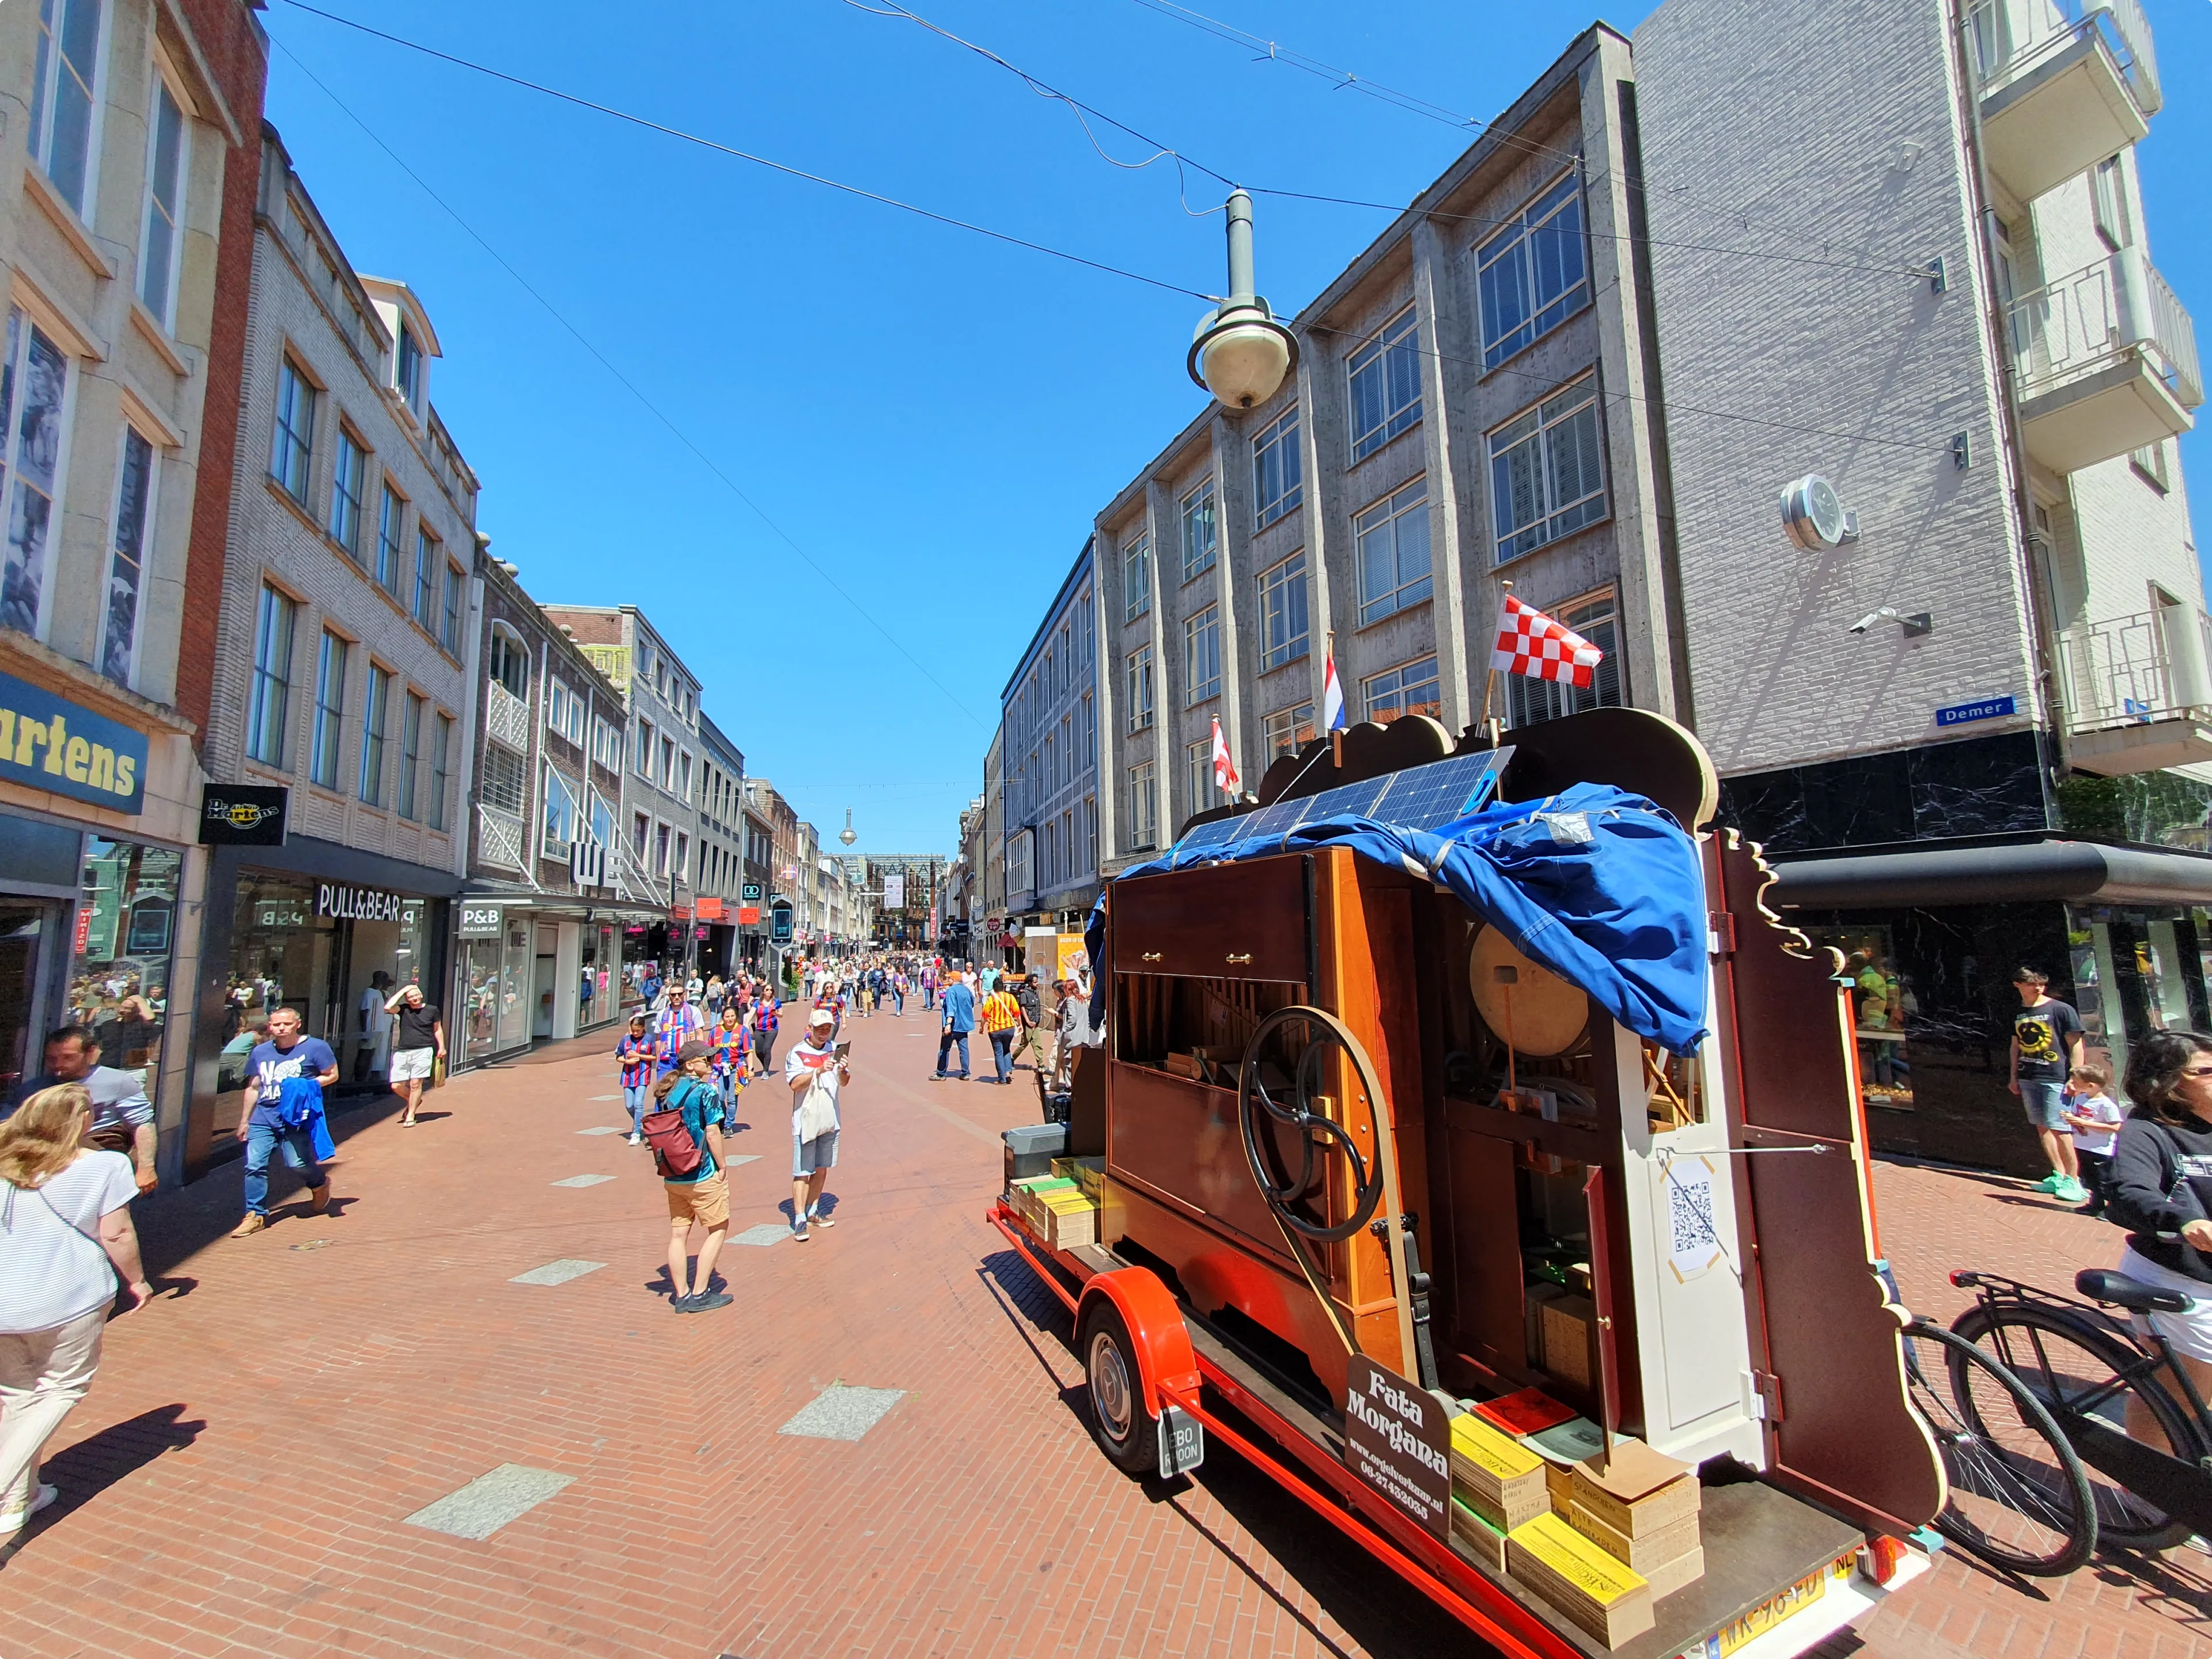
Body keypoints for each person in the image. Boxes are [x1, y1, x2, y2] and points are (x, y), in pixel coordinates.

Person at [0, 1084, 153, 1546]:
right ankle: (5, 1481)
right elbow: (117, 1233)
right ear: (81, 1123)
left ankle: (20, 1501)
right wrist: (137, 1281)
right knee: (64, 1387)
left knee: (19, 1395)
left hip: (6, 1300)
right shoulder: (105, 1165)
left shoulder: (4, 1162)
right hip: (70, 1297)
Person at [2108, 1031, 2212, 1444]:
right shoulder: (2148, 1130)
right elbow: (2129, 1192)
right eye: (2205, 1071)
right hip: (2176, 1274)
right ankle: (2147, 1490)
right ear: (2168, 1083)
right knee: (2185, 1392)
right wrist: (2185, 1221)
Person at [3, 1025, 157, 1195]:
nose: (59, 1065)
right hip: (42, 1164)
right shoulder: (31, 1090)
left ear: (90, 1053)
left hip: (94, 1161)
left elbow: (143, 1124)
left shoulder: (118, 1082)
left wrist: (146, 1168)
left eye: (68, 1058)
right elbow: (6, 1124)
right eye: (52, 1059)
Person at [229, 1007, 339, 1237]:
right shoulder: (261, 1052)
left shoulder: (316, 1047)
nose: (281, 1028)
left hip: (295, 1118)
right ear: (270, 1026)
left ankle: (319, 1184)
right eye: (276, 1025)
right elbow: (254, 1086)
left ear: (297, 1024)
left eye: (286, 1024)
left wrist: (306, 1086)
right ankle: (255, 1214)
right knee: (255, 1165)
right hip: (263, 1117)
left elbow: (332, 1074)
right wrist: (244, 1121)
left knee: (297, 1164)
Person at [652, 1041, 732, 1313]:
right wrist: (722, 1165)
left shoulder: (667, 1090)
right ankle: (700, 1293)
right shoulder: (706, 1091)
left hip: (673, 1173)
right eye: (705, 1060)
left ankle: (682, 1294)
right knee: (718, 1227)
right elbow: (712, 1133)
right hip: (701, 1171)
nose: (710, 1064)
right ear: (690, 1065)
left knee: (678, 1234)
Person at [2009, 967, 2088, 1204]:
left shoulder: (2061, 1009)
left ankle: (2074, 1181)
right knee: (2042, 1126)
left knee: (2060, 1128)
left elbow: (2075, 1044)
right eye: (2032, 984)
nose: (2038, 988)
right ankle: (2058, 1174)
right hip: (2029, 1075)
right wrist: (2013, 1076)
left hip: (2056, 1076)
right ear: (2018, 985)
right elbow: (2015, 1045)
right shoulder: (2018, 1012)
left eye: (2041, 984)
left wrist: (2075, 1078)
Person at [784, 1007, 849, 1241]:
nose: (824, 1033)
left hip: (830, 1118)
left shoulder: (835, 1049)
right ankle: (799, 1217)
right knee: (803, 1172)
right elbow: (795, 1084)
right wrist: (818, 1071)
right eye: (820, 1029)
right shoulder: (797, 1053)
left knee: (822, 1168)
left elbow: (845, 1082)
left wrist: (842, 1071)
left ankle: (813, 1210)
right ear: (809, 1029)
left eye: (827, 1029)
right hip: (806, 1119)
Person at [2063, 1060, 2124, 1217]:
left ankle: (2111, 1209)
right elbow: (2078, 1117)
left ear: (2090, 1085)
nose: (2073, 1085)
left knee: (2103, 1180)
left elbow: (2115, 1127)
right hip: (2083, 1145)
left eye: (2077, 1083)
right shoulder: (2080, 1098)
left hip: (2100, 1149)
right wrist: (2071, 1119)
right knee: (2089, 1178)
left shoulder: (2106, 1105)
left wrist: (2083, 1123)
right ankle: (2095, 1205)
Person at [383, 983, 445, 1129]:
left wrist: (441, 1047)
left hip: (424, 1050)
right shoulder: (404, 1009)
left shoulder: (432, 1010)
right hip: (403, 1051)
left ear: (421, 995)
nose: (414, 998)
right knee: (396, 1085)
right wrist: (404, 990)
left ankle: (411, 1114)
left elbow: (438, 1029)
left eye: (416, 995)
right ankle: (414, 1100)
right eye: (410, 997)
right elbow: (387, 1008)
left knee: (416, 1084)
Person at [615, 1014, 657, 1145]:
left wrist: (639, 1056)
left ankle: (636, 1132)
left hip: (643, 1075)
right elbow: (618, 1056)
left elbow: (654, 1057)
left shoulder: (649, 1039)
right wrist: (627, 1061)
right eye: (633, 1030)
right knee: (629, 1105)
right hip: (628, 1076)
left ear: (644, 1027)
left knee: (639, 1103)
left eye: (638, 1030)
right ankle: (640, 1121)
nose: (635, 1032)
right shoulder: (626, 1040)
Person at [652, 982, 707, 1076]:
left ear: (684, 995)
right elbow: (658, 1038)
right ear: (669, 996)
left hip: (687, 1057)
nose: (676, 997)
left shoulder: (694, 1011)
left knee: (685, 1087)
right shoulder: (662, 1014)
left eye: (679, 994)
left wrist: (699, 1056)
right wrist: (658, 1059)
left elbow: (699, 1034)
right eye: (673, 995)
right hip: (667, 1059)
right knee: (663, 1088)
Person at [354, 969, 393, 1084]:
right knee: (365, 1053)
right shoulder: (369, 993)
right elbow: (364, 1012)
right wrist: (365, 1031)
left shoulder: (379, 993)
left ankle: (368, 1077)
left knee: (372, 1054)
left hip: (378, 1029)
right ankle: (359, 1079)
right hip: (370, 1029)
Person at [935, 971, 976, 1081]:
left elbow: (951, 1009)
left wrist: (948, 1024)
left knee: (944, 1049)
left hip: (953, 1026)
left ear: (954, 979)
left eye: (949, 978)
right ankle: (966, 1073)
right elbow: (972, 1002)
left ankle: (941, 1073)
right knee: (964, 1050)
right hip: (963, 1025)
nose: (948, 980)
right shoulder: (966, 990)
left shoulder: (951, 991)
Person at [980, 980, 1022, 1086]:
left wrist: (981, 1027)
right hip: (1009, 1028)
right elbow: (1017, 1013)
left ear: (994, 989)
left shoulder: (991, 999)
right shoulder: (1010, 998)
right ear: (1003, 987)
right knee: (1006, 1050)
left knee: (998, 1053)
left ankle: (1002, 1078)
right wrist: (1020, 1025)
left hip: (995, 1029)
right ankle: (1008, 1072)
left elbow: (985, 1016)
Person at [710, 1005, 748, 1116]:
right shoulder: (715, 1032)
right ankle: (723, 1116)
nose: (730, 1019)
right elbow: (709, 1050)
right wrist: (711, 1064)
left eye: (732, 1016)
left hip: (735, 1068)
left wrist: (750, 1069)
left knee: (732, 1098)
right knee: (720, 1097)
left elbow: (748, 1051)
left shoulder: (742, 1030)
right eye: (727, 1016)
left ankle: (728, 1125)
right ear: (723, 1018)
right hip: (720, 1069)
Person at [1012, 975, 1048, 1073]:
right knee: (1024, 1043)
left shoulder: (1035, 993)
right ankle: (1011, 1060)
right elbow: (1023, 1008)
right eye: (1035, 982)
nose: (1037, 984)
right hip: (1028, 1023)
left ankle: (1041, 1064)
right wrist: (1028, 1021)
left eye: (1037, 982)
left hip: (1035, 1023)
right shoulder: (1025, 994)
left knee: (1038, 1044)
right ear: (1030, 983)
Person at [752, 988, 782, 1076]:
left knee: (767, 1049)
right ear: (764, 991)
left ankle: (765, 1071)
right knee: (759, 1052)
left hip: (772, 1029)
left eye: (771, 990)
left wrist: (776, 1013)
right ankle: (765, 1065)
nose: (769, 991)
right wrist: (746, 1024)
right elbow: (751, 1013)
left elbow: (781, 1014)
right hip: (760, 1029)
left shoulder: (776, 1002)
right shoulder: (758, 1003)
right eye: (767, 990)